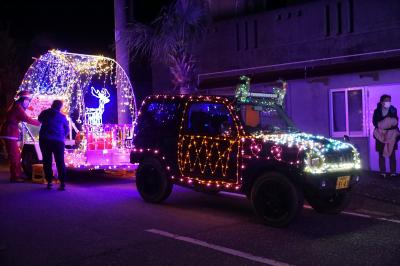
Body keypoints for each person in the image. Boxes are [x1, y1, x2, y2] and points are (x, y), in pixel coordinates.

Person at [0, 91, 40, 182]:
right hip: (10, 133)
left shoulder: (16, 106)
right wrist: (39, 123)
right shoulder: (18, 107)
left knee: (15, 155)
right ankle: (15, 176)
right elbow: (26, 119)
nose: (28, 102)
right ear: (24, 99)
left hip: (10, 132)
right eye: (28, 100)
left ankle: (17, 175)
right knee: (15, 156)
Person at [38, 100, 69, 190]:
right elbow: (67, 129)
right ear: (60, 107)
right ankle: (62, 183)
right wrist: (62, 136)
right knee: (60, 161)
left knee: (47, 161)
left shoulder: (45, 113)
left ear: (52, 105)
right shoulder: (62, 117)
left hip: (45, 140)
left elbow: (39, 120)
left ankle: (49, 182)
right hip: (58, 141)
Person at [373, 94, 399, 177]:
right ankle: (382, 172)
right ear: (381, 102)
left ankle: (393, 172)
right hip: (380, 135)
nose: (388, 102)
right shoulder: (377, 111)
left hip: (391, 135)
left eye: (389, 100)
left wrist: (386, 124)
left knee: (392, 154)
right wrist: (384, 125)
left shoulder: (393, 110)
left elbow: (395, 122)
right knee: (381, 154)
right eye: (386, 100)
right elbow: (375, 123)